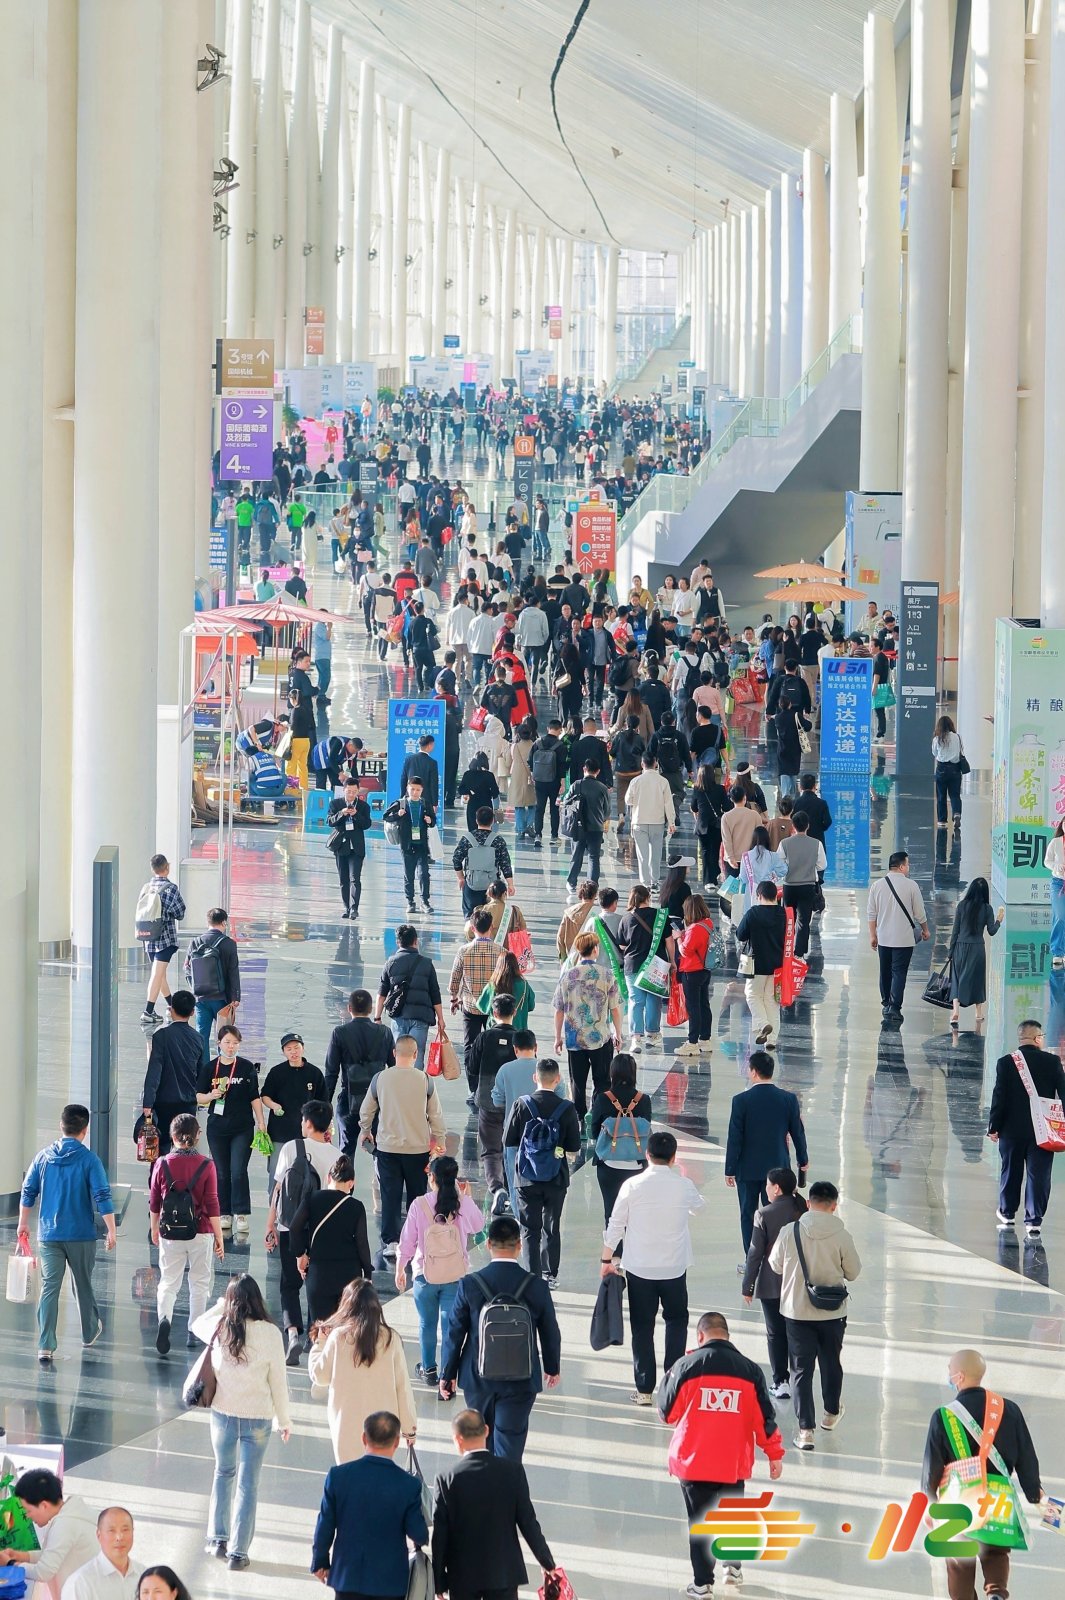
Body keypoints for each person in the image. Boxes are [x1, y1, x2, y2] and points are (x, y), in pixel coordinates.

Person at [656, 1311, 784, 1600]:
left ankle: (702, 1585)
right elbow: (764, 1419)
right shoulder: (750, 1371)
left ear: (700, 1336)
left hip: (694, 1462)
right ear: (727, 1335)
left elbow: (666, 1412)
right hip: (732, 1462)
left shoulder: (686, 1366)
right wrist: (774, 1454)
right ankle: (733, 1567)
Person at [920, 1349, 1042, 1600]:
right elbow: (1026, 1455)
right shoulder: (1009, 1409)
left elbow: (933, 1466)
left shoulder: (943, 1416)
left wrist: (929, 1502)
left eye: (950, 1370)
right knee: (996, 1551)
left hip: (958, 1500)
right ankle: (996, 1591)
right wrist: (1033, 1491)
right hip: (998, 1497)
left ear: (960, 1376)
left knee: (958, 1558)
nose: (949, 1375)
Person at [438, 1215, 562, 1462]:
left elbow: (454, 1331)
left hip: (477, 1377)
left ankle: (483, 1488)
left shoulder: (470, 1284)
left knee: (479, 1444)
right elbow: (550, 1330)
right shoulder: (536, 1285)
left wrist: (447, 1374)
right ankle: (507, 1487)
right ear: (519, 1246)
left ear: (487, 1244)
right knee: (511, 1446)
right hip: (521, 1378)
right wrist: (551, 1367)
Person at [191, 1275, 292, 1570]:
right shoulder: (271, 1334)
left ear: (232, 1301)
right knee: (249, 1484)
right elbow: (278, 1383)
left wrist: (222, 1305)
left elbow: (196, 1324)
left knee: (223, 1473)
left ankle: (217, 1539)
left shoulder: (222, 1327)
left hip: (222, 1414)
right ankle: (238, 1552)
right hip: (258, 1419)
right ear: (258, 1299)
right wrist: (283, 1420)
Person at [602, 1130, 705, 1404]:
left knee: (642, 1326)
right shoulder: (683, 1185)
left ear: (647, 1155)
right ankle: (672, 1384)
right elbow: (700, 1208)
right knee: (676, 1321)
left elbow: (616, 1224)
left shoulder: (632, 1185)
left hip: (640, 1268)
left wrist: (606, 1259)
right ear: (674, 1158)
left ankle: (645, 1389)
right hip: (674, 1267)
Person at [768, 1179, 862, 1450]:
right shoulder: (842, 1235)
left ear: (808, 1203)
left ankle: (805, 1430)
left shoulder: (790, 1231)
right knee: (831, 1362)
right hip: (832, 1314)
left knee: (800, 1370)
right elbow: (853, 1273)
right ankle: (831, 1413)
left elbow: (775, 1265)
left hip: (796, 1312)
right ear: (834, 1206)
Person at [19, 1104, 115, 1365]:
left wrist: (23, 1223)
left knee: (50, 1288)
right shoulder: (89, 1160)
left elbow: (28, 1191)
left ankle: (45, 1346)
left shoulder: (43, 1157)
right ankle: (89, 1332)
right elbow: (102, 1196)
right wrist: (111, 1229)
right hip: (81, 1234)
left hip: (48, 1235)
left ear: (61, 1126)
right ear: (85, 1130)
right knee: (82, 1284)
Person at [431, 1409, 558, 1600]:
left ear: (457, 1439)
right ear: (487, 1431)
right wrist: (546, 1561)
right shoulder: (512, 1472)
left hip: (463, 1576)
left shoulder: (446, 1479)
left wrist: (439, 1581)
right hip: (503, 1573)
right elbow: (528, 1522)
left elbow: (440, 1535)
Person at [310, 1410, 427, 1599]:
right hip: (390, 1581)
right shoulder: (408, 1484)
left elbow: (325, 1523)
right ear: (396, 1442)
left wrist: (320, 1561)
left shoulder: (338, 1477)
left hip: (348, 1576)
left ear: (364, 1438)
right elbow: (418, 1534)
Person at [395, 1154, 485, 1387]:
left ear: (432, 1177)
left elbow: (407, 1242)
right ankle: (448, 1371)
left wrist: (400, 1268)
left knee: (426, 1323)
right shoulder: (462, 1202)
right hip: (455, 1275)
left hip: (425, 1274)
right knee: (449, 1326)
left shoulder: (419, 1204)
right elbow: (479, 1226)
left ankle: (428, 1369)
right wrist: (468, 1198)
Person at [266, 1100, 343, 1364]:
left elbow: (278, 1190)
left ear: (308, 1124)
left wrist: (271, 1224)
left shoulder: (291, 1148)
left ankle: (293, 1334)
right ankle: (314, 1336)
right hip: (320, 1230)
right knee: (315, 1283)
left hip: (290, 1225)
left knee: (289, 1284)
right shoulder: (337, 1156)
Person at [308, 1280, 417, 1464]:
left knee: (349, 1478)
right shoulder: (390, 1338)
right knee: (380, 1480)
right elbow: (402, 1387)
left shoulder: (338, 1337)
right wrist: (409, 1427)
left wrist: (320, 1344)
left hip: (346, 1424)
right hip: (384, 1425)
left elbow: (320, 1376)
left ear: (347, 1305)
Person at [359, 1036, 446, 1258]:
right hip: (418, 1150)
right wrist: (440, 1140)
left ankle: (391, 1242)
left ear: (394, 1054)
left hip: (387, 1149)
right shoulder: (425, 1080)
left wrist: (365, 1130)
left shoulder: (380, 1078)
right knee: (418, 1197)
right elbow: (435, 1114)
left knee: (390, 1196)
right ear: (416, 1055)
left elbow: (366, 1110)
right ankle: (416, 1241)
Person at [148, 1113, 224, 1355]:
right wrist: (219, 1237)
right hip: (200, 1232)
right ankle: (194, 1330)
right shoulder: (207, 1164)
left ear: (172, 1136)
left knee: (168, 1282)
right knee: (199, 1283)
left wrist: (154, 1228)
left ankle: (164, 1320)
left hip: (170, 1232)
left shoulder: (161, 1164)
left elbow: (154, 1201)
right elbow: (212, 1202)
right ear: (197, 1135)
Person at [504, 1057, 583, 1285]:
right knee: (552, 1225)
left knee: (529, 1229)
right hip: (556, 1177)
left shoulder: (522, 1103)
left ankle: (532, 1276)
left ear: (534, 1078)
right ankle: (550, 1274)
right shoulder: (566, 1108)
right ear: (557, 1080)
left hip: (526, 1177)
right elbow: (574, 1146)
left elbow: (508, 1139)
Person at [725, 1051, 809, 1253]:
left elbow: (735, 1137)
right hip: (778, 1167)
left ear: (753, 1072)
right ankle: (774, 1256)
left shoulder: (741, 1100)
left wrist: (730, 1168)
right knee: (776, 1214)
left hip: (748, 1168)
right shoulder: (788, 1099)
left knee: (748, 1213)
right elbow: (797, 1132)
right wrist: (802, 1159)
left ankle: (751, 1258)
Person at [988, 1019, 1065, 1239]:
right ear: (1037, 1038)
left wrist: (994, 1126)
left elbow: (999, 1097)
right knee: (1039, 1175)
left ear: (1020, 1038)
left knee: (1010, 1171)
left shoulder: (1005, 1062)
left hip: (1011, 1131)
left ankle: (1007, 1212)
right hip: (1043, 1130)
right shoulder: (1052, 1062)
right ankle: (1034, 1221)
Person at [742, 1168, 809, 1399]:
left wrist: (748, 1286)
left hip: (772, 1282)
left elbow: (755, 1254)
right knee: (796, 1331)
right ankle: (799, 1378)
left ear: (777, 1188)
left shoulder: (764, 1214)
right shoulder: (803, 1210)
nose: (767, 1189)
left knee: (775, 1333)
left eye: (769, 1185)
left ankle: (781, 1382)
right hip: (799, 1281)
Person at [195, 1023, 264, 1238]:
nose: (231, 1047)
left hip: (242, 1127)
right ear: (219, 1043)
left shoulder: (245, 1067)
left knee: (238, 1170)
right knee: (221, 1172)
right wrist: (211, 1096)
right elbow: (198, 1096)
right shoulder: (209, 1068)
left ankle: (241, 1212)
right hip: (217, 1128)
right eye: (227, 1042)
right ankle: (224, 1211)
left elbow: (254, 1096)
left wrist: (261, 1121)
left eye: (235, 1043)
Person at [291, 1153, 373, 1328]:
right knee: (347, 1330)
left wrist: (300, 1254)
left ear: (329, 1178)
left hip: (319, 1274)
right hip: (349, 1276)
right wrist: (368, 1272)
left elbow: (294, 1228)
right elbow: (362, 1243)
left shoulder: (312, 1199)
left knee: (321, 1331)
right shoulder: (356, 1206)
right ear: (351, 1183)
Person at [552, 929, 624, 1121]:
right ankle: (597, 1115)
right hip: (600, 1037)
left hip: (575, 1038)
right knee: (602, 1080)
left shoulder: (567, 976)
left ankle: (579, 1117)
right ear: (595, 949)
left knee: (577, 1082)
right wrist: (619, 1033)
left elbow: (559, 1010)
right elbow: (615, 1009)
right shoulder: (607, 975)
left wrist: (558, 1037)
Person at [0, 1469, 97, 1598]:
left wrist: (10, 1563)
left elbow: (44, 1572)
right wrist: (22, 1556)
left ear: (44, 1506)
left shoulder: (65, 1524)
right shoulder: (71, 1514)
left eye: (28, 1510)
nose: (28, 1517)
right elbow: (52, 1554)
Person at [325, 990, 397, 1156]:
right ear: (371, 1009)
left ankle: (345, 1182)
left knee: (345, 1152)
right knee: (380, 1151)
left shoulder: (340, 1033)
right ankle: (382, 1181)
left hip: (349, 1100)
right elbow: (394, 1069)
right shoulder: (385, 1032)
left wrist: (325, 1107)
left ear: (349, 1008)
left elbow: (331, 1073)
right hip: (378, 1101)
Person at [467, 995, 521, 1213]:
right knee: (512, 1147)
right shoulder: (521, 1038)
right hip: (514, 1103)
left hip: (488, 1101)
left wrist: (476, 1089)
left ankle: (497, 1188)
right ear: (514, 1012)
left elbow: (472, 1065)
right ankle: (512, 1188)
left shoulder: (484, 1037)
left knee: (490, 1149)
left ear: (493, 1013)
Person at [589, 1053, 652, 1227]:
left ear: (612, 1073)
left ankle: (614, 1252)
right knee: (635, 1213)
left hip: (608, 1165)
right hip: (637, 1165)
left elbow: (594, 1132)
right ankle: (633, 1251)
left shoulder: (602, 1098)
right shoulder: (644, 1100)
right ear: (634, 1073)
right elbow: (647, 1130)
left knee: (611, 1212)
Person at [867, 850, 930, 1021]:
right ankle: (894, 1007)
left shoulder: (877, 885)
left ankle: (886, 1002)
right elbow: (920, 913)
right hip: (904, 939)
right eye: (907, 864)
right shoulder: (912, 886)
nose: (908, 868)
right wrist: (925, 929)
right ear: (901, 866)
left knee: (885, 971)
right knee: (899, 972)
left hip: (884, 938)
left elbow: (871, 914)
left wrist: (872, 935)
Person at [376, 923, 447, 1074]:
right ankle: (417, 1087)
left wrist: (377, 1017)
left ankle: (400, 1085)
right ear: (416, 941)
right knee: (417, 1053)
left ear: (398, 942)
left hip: (399, 1016)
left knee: (400, 1054)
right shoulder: (427, 964)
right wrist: (440, 1018)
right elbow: (435, 993)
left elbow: (382, 993)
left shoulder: (390, 963)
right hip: (420, 1017)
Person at [140, 990, 203, 1156]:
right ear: (192, 1012)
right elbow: (201, 1073)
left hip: (164, 1102)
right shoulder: (198, 1038)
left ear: (171, 1009)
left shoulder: (161, 1036)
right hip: (188, 1102)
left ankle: (161, 1178)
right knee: (185, 1146)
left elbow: (154, 1070)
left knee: (160, 1147)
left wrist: (148, 1102)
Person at [259, 1033, 328, 1181]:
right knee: (277, 1174)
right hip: (280, 1132)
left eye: (296, 1048)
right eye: (289, 1049)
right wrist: (273, 1105)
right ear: (283, 1052)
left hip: (308, 1134)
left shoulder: (314, 1073)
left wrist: (325, 1128)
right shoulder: (277, 1072)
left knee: (307, 1175)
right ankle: (274, 1203)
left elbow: (324, 1103)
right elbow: (265, 1096)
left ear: (303, 1049)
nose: (293, 1052)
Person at [617, 884, 675, 1051]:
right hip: (656, 965)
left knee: (636, 1001)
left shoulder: (626, 918)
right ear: (648, 897)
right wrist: (673, 961)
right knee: (653, 1000)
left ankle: (636, 1038)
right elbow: (669, 941)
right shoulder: (660, 916)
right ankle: (652, 1034)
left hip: (633, 965)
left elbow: (621, 946)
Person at [492, 1031, 542, 1214]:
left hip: (513, 1134)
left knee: (514, 1180)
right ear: (536, 1047)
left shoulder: (505, 1069)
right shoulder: (543, 1068)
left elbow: (497, 1100)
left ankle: (519, 1218)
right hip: (541, 1135)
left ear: (515, 1049)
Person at [184, 907, 241, 1064]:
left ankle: (203, 1072)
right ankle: (222, 1068)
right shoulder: (229, 944)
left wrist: (195, 989)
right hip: (222, 999)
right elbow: (233, 972)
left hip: (201, 998)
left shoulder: (195, 942)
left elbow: (187, 969)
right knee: (225, 1035)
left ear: (208, 922)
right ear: (224, 922)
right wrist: (235, 997)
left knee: (201, 1036)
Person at [735, 881, 787, 1047]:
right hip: (778, 964)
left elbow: (741, 935)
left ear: (759, 896)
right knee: (771, 1000)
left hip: (756, 964)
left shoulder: (753, 913)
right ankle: (771, 1041)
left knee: (752, 994)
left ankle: (763, 1024)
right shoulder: (784, 914)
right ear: (775, 896)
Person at [948, 876, 1004, 1026]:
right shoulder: (987, 909)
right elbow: (991, 931)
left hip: (960, 946)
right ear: (985, 893)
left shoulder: (962, 906)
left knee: (957, 979)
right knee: (978, 980)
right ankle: (978, 1013)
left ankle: (956, 1011)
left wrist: (951, 951)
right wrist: (999, 920)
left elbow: (955, 931)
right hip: (977, 948)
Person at [138, 854, 186, 1025]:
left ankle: (171, 1006)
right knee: (157, 974)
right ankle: (148, 1011)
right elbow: (180, 913)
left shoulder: (146, 887)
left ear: (153, 869)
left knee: (160, 975)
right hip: (165, 939)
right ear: (168, 867)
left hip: (149, 938)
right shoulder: (170, 888)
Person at [60, 1507, 141, 1600]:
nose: (119, 1537)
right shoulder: (80, 1582)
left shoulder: (145, 1576)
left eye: (125, 1530)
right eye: (111, 1530)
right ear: (99, 1535)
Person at [383, 775, 436, 915]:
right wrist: (397, 815)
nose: (415, 792)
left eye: (418, 790)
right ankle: (410, 901)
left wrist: (430, 820)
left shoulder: (425, 804)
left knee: (424, 874)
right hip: (407, 845)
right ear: (407, 788)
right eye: (412, 789)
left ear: (422, 790)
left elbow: (433, 821)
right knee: (409, 874)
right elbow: (385, 816)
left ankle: (425, 901)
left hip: (422, 845)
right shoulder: (401, 803)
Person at [452, 805, 514, 918]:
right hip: (492, 887)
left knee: (471, 918)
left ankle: (472, 934)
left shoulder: (467, 838)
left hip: (471, 885)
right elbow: (505, 864)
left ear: (476, 820)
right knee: (492, 917)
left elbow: (456, 859)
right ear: (493, 821)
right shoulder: (498, 840)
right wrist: (510, 885)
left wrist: (461, 878)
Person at [780, 810, 826, 960]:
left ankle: (785, 949)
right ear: (808, 826)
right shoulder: (816, 844)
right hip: (807, 886)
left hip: (789, 886)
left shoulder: (785, 843)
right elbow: (822, 865)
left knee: (788, 920)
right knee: (804, 921)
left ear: (793, 826)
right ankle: (799, 953)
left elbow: (779, 865)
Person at [625, 753, 677, 886]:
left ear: (642, 764)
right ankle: (655, 881)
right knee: (656, 854)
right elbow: (668, 803)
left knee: (642, 855)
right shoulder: (663, 781)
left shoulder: (635, 781)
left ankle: (645, 883)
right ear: (655, 763)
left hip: (639, 821)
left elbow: (628, 800)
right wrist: (671, 822)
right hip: (657, 822)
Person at [674, 894, 716, 1058]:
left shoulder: (695, 928)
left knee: (694, 1007)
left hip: (692, 971)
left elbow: (685, 950)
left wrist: (678, 938)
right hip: (705, 970)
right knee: (704, 1004)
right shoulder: (708, 924)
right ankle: (705, 1039)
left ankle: (692, 1043)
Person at [326, 779, 372, 919]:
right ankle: (346, 907)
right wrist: (342, 813)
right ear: (344, 790)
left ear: (358, 791)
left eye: (354, 792)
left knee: (355, 878)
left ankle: (354, 908)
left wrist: (356, 815)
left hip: (356, 847)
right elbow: (330, 821)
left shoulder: (363, 806)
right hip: (341, 846)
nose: (351, 794)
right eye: (349, 791)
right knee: (343, 879)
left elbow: (367, 824)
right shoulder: (336, 804)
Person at [563, 758, 611, 891]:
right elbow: (607, 811)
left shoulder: (576, 785)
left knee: (576, 855)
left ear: (585, 769)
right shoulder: (603, 788)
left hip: (578, 827)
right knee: (594, 857)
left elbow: (566, 802)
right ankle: (592, 886)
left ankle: (572, 883)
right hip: (596, 828)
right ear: (598, 771)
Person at [530, 718, 565, 844]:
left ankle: (538, 835)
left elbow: (530, 761)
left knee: (539, 808)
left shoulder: (537, 743)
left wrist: (534, 776)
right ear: (560, 730)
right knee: (554, 809)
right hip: (554, 781)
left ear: (548, 729)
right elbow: (562, 766)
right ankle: (554, 836)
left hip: (539, 781)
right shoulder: (560, 746)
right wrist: (562, 782)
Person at [287, 648, 317, 792]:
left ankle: (292, 787)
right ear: (299, 662)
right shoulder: (306, 710)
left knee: (291, 765)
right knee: (303, 766)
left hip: (296, 741)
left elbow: (292, 727)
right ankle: (303, 787)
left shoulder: (292, 674)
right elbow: (309, 691)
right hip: (306, 740)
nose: (308, 664)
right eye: (306, 661)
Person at [932, 713, 965, 829]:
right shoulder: (957, 737)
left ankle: (942, 820)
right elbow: (961, 750)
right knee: (955, 795)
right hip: (955, 769)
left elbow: (934, 753)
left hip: (941, 769)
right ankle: (956, 813)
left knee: (941, 795)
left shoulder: (937, 739)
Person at [720, 786, 761, 878]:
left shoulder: (726, 817)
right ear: (745, 798)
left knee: (732, 890)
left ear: (731, 799)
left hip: (732, 859)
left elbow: (726, 840)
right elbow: (760, 837)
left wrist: (730, 858)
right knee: (749, 889)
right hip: (750, 859)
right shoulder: (755, 815)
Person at [554, 878, 599, 961]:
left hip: (572, 957)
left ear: (580, 893)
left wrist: (563, 958)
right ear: (595, 894)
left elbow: (560, 937)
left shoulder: (569, 913)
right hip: (593, 959)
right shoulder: (598, 914)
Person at [399, 733, 440, 811]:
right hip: (426, 800)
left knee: (409, 819)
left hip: (409, 797)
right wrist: (435, 803)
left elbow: (403, 779)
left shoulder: (409, 759)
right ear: (430, 745)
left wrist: (402, 798)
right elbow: (433, 784)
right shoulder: (432, 762)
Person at [1047, 817, 1065, 970]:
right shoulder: (1056, 842)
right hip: (1058, 883)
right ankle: (1057, 951)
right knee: (1059, 916)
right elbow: (1046, 861)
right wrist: (1056, 867)